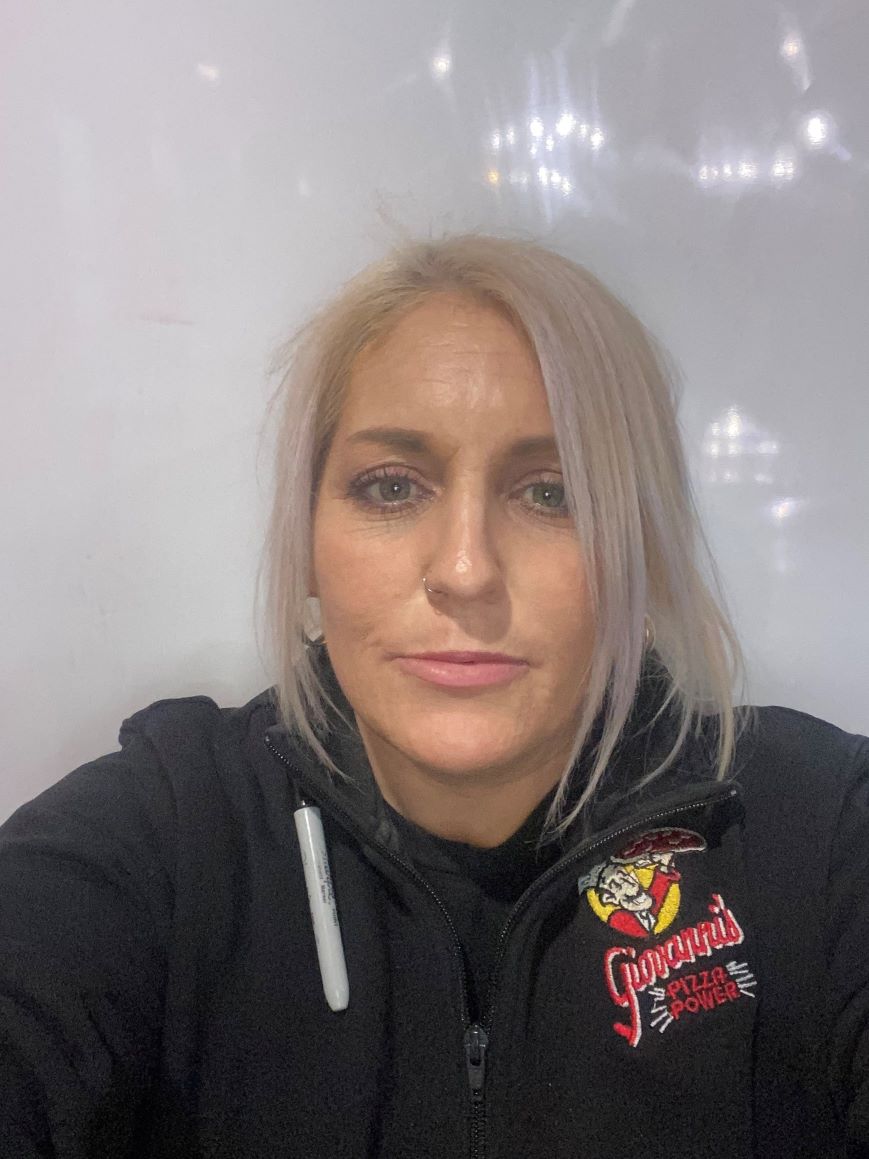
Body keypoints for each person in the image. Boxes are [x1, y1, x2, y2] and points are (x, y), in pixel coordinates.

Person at [1, 234, 867, 1158]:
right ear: (308, 543)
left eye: (552, 493)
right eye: (390, 486)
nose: (464, 570)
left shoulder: (816, 833)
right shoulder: (170, 832)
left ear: (640, 555)